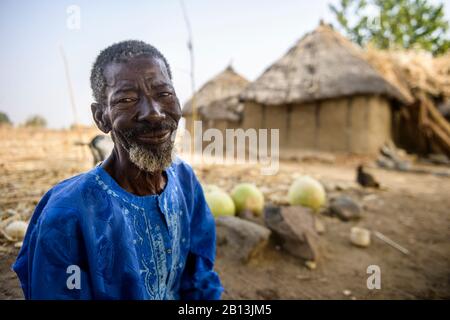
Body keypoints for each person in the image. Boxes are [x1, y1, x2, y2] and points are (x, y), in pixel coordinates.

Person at [13, 40, 223, 300]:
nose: (154, 113)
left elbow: (199, 278)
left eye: (164, 94)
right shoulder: (66, 215)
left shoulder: (184, 181)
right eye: (127, 99)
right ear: (102, 117)